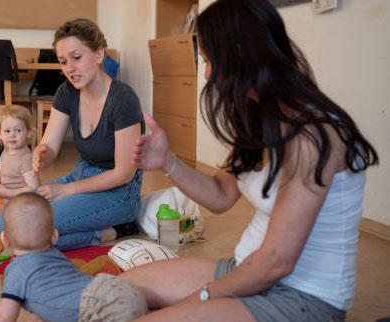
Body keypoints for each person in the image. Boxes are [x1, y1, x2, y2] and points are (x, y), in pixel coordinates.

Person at [122, 0, 379, 321]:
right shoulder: (261, 117)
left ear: (242, 55)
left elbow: (277, 262)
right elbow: (220, 195)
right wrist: (168, 162)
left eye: (209, 60)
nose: (208, 74)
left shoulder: (314, 134)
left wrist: (202, 296)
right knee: (119, 290)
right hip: (246, 270)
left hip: (303, 298)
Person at [0, 18, 145, 250]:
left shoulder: (123, 99)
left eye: (76, 58)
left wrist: (65, 190)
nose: (69, 69)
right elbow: (50, 146)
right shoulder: (66, 92)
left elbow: (124, 173)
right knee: (5, 220)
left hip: (119, 192)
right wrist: (42, 153)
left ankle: (117, 227)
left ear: (99, 54)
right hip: (81, 176)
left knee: (30, 229)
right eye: (63, 61)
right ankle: (104, 232)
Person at [0, 192, 148, 322]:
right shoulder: (56, 255)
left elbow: (5, 316)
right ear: (55, 237)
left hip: (98, 309)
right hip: (116, 288)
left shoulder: (15, 271)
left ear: (5, 240)